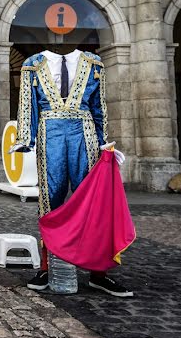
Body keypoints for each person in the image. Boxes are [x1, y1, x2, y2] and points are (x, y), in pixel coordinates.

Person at [11, 47, 132, 297]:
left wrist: (103, 141)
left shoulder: (93, 63)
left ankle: (98, 272)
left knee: (91, 202)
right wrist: (25, 137)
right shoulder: (33, 63)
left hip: (84, 131)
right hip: (49, 131)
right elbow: (28, 103)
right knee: (49, 201)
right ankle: (47, 267)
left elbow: (99, 105)